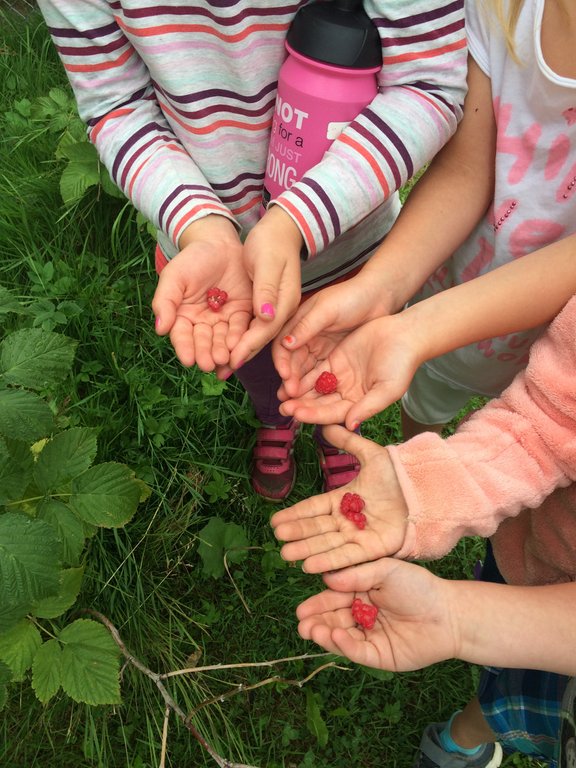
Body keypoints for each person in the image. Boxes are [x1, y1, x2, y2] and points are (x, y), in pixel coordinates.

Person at [36, 0, 467, 501]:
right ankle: (275, 417)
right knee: (258, 365)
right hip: (216, 261)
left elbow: (429, 83)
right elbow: (114, 105)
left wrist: (297, 218)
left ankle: (335, 434)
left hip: (353, 249)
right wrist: (199, 223)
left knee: (343, 367)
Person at [274, 289, 576, 768]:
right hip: (540, 561)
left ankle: (466, 740)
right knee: (514, 688)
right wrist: (427, 489)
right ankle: (467, 736)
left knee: (531, 701)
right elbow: (553, 418)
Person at [273, 0, 576, 443]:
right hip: (453, 290)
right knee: (427, 402)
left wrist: (418, 329)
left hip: (561, 355)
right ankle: (413, 446)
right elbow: (466, 171)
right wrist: (381, 290)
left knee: (530, 454)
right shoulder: (501, 8)